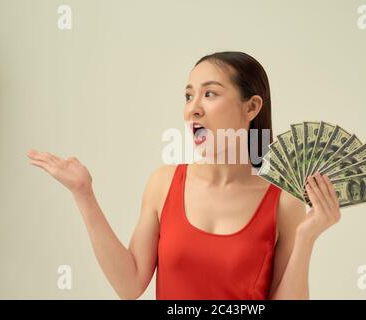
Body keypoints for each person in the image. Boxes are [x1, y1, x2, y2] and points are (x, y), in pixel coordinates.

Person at [26, 51, 341, 300]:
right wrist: (83, 192)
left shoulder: (283, 200)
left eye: (210, 94)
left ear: (251, 107)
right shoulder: (163, 183)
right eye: (189, 96)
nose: (192, 110)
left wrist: (306, 238)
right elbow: (129, 284)